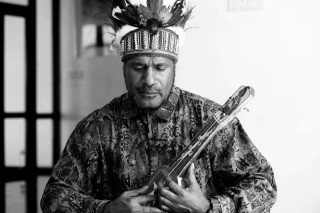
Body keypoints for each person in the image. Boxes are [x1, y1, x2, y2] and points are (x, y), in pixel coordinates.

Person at [41, 0, 277, 212]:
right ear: (124, 68)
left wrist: (208, 207)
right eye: (138, 67)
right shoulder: (96, 128)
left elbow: (264, 186)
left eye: (160, 67)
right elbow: (53, 197)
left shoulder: (211, 120)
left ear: (174, 68)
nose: (149, 80)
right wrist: (107, 210)